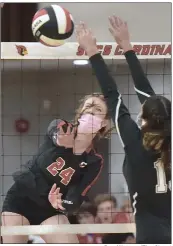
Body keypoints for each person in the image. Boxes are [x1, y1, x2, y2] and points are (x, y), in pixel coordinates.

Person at [76, 19, 171, 243]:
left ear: (143, 117)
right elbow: (147, 96)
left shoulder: (135, 143)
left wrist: (93, 51)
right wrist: (126, 46)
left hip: (151, 235)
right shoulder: (168, 139)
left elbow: (113, 94)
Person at [1, 93, 111, 243]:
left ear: (104, 123)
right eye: (88, 107)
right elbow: (54, 130)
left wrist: (62, 204)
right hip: (21, 199)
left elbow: (76, 197)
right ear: (80, 114)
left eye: (97, 109)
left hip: (49, 209)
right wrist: (59, 138)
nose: (91, 112)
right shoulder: (63, 127)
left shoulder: (94, 161)